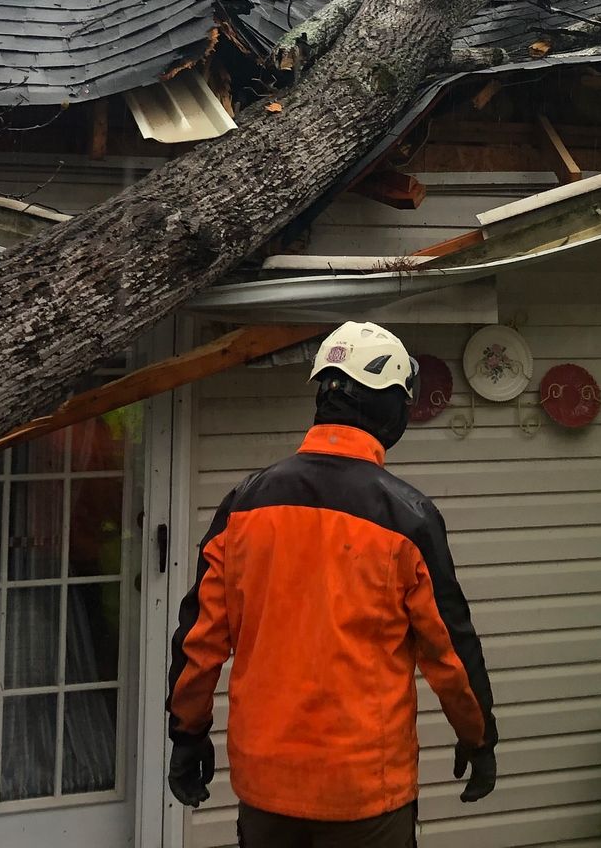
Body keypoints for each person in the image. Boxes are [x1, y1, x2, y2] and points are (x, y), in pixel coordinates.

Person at [166, 321, 497, 846]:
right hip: (364, 792)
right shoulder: (407, 518)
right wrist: (478, 737)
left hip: (266, 785)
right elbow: (449, 649)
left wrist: (186, 736)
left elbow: (200, 641)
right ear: (389, 405)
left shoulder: (245, 504)